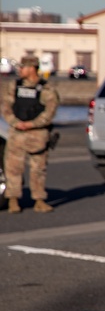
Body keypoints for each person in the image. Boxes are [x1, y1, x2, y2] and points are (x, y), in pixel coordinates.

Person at [2, 55, 59, 213]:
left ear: (32, 68)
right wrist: (14, 122)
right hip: (17, 133)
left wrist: (32, 124)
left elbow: (50, 110)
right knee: (12, 168)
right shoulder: (15, 86)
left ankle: (39, 200)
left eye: (23, 67)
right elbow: (6, 106)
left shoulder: (45, 88)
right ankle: (13, 200)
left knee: (38, 169)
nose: (20, 70)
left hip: (37, 134)